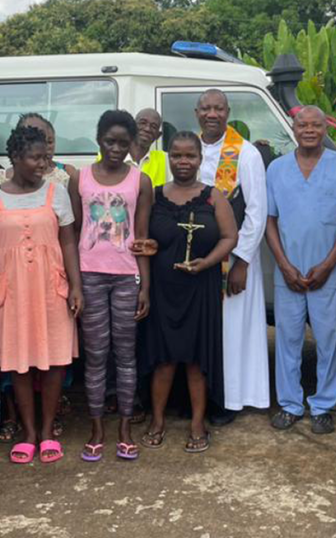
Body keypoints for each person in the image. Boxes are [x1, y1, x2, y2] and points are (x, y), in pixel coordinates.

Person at [0, 125, 83, 465]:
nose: (43, 163)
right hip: (13, 289)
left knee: (53, 361)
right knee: (18, 363)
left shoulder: (56, 193)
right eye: (35, 157)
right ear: (16, 158)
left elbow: (67, 241)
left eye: (46, 157)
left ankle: (48, 431)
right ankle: (28, 433)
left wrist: (76, 286)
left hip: (51, 287)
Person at [265, 106, 336, 434]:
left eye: (316, 125)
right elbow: (270, 219)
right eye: (302, 124)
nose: (309, 130)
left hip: (328, 271)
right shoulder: (277, 169)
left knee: (329, 340)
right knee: (288, 340)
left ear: (325, 128)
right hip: (288, 271)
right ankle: (291, 404)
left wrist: (328, 265)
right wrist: (283, 265)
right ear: (292, 129)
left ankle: (323, 405)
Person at [138, 131, 238, 453]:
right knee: (163, 359)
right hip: (164, 288)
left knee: (196, 359)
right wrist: (150, 245)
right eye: (177, 155)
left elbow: (229, 236)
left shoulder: (212, 196)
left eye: (190, 156)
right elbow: (140, 238)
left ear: (200, 159)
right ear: (168, 157)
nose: (183, 162)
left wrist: (208, 262)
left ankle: (198, 422)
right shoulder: (153, 195)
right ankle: (157, 420)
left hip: (201, 287)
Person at [70, 110, 153, 462]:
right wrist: (74, 284)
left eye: (123, 143)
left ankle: (124, 430)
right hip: (89, 275)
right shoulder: (80, 179)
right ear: (98, 139)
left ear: (132, 144)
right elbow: (72, 234)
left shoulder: (140, 181)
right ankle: (96, 429)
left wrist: (144, 286)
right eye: (109, 141)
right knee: (96, 355)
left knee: (125, 353)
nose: (116, 149)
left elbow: (142, 238)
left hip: (125, 276)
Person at [195, 89, 270, 425]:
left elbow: (256, 210)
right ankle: (201, 395)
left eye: (219, 108)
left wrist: (241, 260)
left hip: (233, 260)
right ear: (197, 112)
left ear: (228, 112)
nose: (212, 114)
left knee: (232, 331)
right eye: (206, 108)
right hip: (198, 258)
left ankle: (230, 397)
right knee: (203, 329)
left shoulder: (246, 153)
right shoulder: (188, 149)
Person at [0, 113, 78, 187]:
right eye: (34, 141)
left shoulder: (65, 175)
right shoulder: (0, 179)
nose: (45, 147)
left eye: (49, 142)